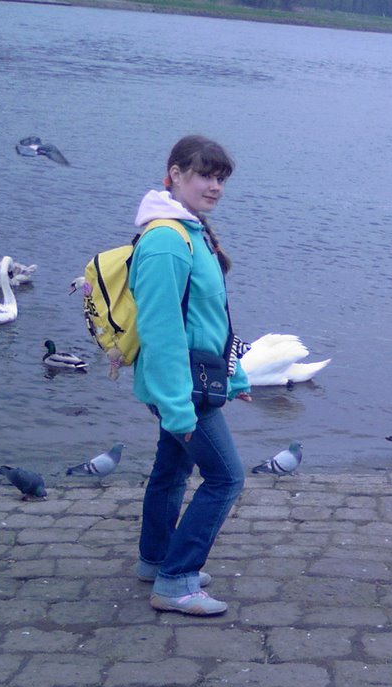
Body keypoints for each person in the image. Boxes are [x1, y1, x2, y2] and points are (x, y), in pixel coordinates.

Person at [129, 135, 251, 616]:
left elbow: (208, 316)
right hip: (183, 387)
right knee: (225, 478)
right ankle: (175, 581)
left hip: (195, 380)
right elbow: (160, 332)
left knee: (172, 469)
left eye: (220, 178)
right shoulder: (167, 241)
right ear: (175, 174)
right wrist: (176, 406)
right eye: (204, 175)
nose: (215, 186)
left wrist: (235, 377)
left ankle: (156, 559)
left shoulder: (192, 231)